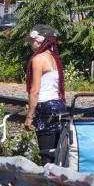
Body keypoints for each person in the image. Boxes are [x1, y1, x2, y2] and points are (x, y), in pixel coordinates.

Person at [23, 25, 67, 160]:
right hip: (59, 106)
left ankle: (47, 179)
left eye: (31, 41)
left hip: (45, 108)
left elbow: (35, 91)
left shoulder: (38, 59)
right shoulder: (55, 59)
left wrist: (29, 117)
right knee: (58, 153)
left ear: (38, 41)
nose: (30, 44)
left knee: (46, 155)